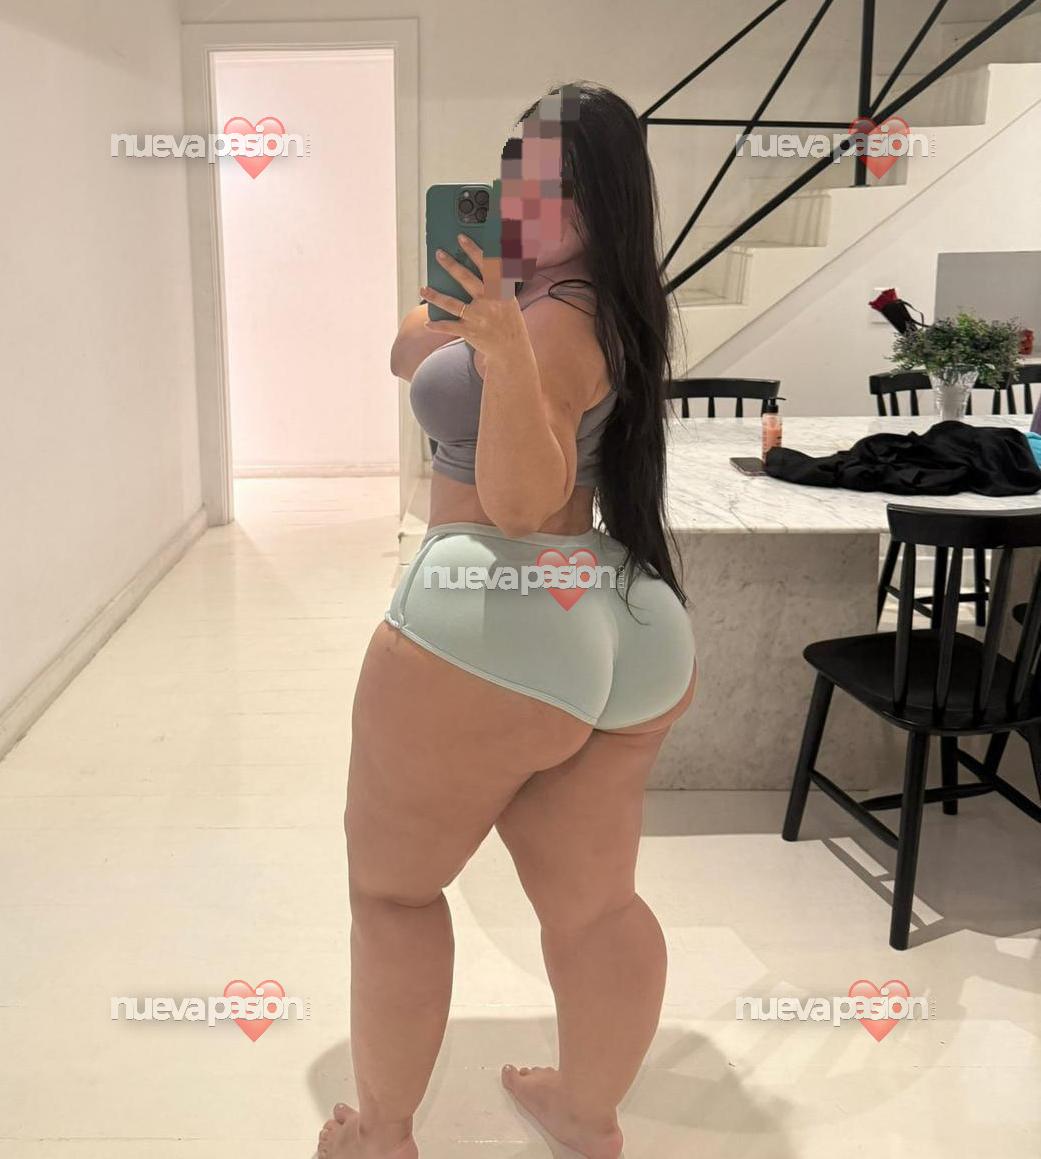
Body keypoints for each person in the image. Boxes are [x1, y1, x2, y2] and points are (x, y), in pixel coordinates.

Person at [316, 80, 697, 1159]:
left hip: (495, 613)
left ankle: (381, 1135)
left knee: (392, 892)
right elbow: (406, 349)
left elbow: (522, 503)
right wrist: (474, 306)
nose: (521, 193)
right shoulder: (577, 298)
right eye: (512, 167)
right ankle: (586, 1113)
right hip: (615, 615)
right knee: (596, 905)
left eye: (550, 179)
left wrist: (503, 347)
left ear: (602, 197)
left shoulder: (554, 328)